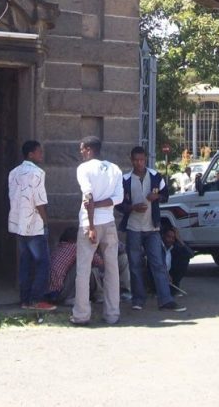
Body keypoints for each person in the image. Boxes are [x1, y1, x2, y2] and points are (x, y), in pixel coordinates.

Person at [117, 146, 186, 313]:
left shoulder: (155, 176)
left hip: (152, 227)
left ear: (145, 160)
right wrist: (131, 207)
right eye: (136, 160)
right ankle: (138, 299)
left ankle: (165, 299)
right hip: (134, 227)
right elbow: (118, 204)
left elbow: (166, 194)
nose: (139, 163)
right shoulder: (125, 180)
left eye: (142, 160)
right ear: (131, 160)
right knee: (135, 265)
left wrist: (158, 197)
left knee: (158, 263)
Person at [70, 135, 124, 325]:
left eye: (82, 149)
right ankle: (112, 314)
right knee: (112, 269)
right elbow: (119, 198)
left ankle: (81, 315)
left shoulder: (83, 168)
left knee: (83, 270)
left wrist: (91, 225)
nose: (81, 152)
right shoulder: (115, 169)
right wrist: (101, 205)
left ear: (89, 149)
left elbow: (87, 197)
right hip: (109, 222)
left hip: (89, 223)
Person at [7, 139, 55, 311]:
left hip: (19, 224)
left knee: (25, 263)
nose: (41, 155)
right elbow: (40, 202)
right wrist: (45, 221)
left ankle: (24, 300)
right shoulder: (37, 173)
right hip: (35, 225)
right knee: (43, 263)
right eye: (39, 152)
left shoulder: (13, 173)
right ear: (31, 154)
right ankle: (37, 300)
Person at [161, 224, 194, 294]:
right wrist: (165, 273)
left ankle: (175, 285)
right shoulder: (158, 246)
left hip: (171, 278)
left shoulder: (175, 247)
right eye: (168, 237)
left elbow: (190, 254)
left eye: (173, 238)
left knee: (184, 258)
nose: (170, 240)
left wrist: (179, 239)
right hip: (159, 275)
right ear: (163, 236)